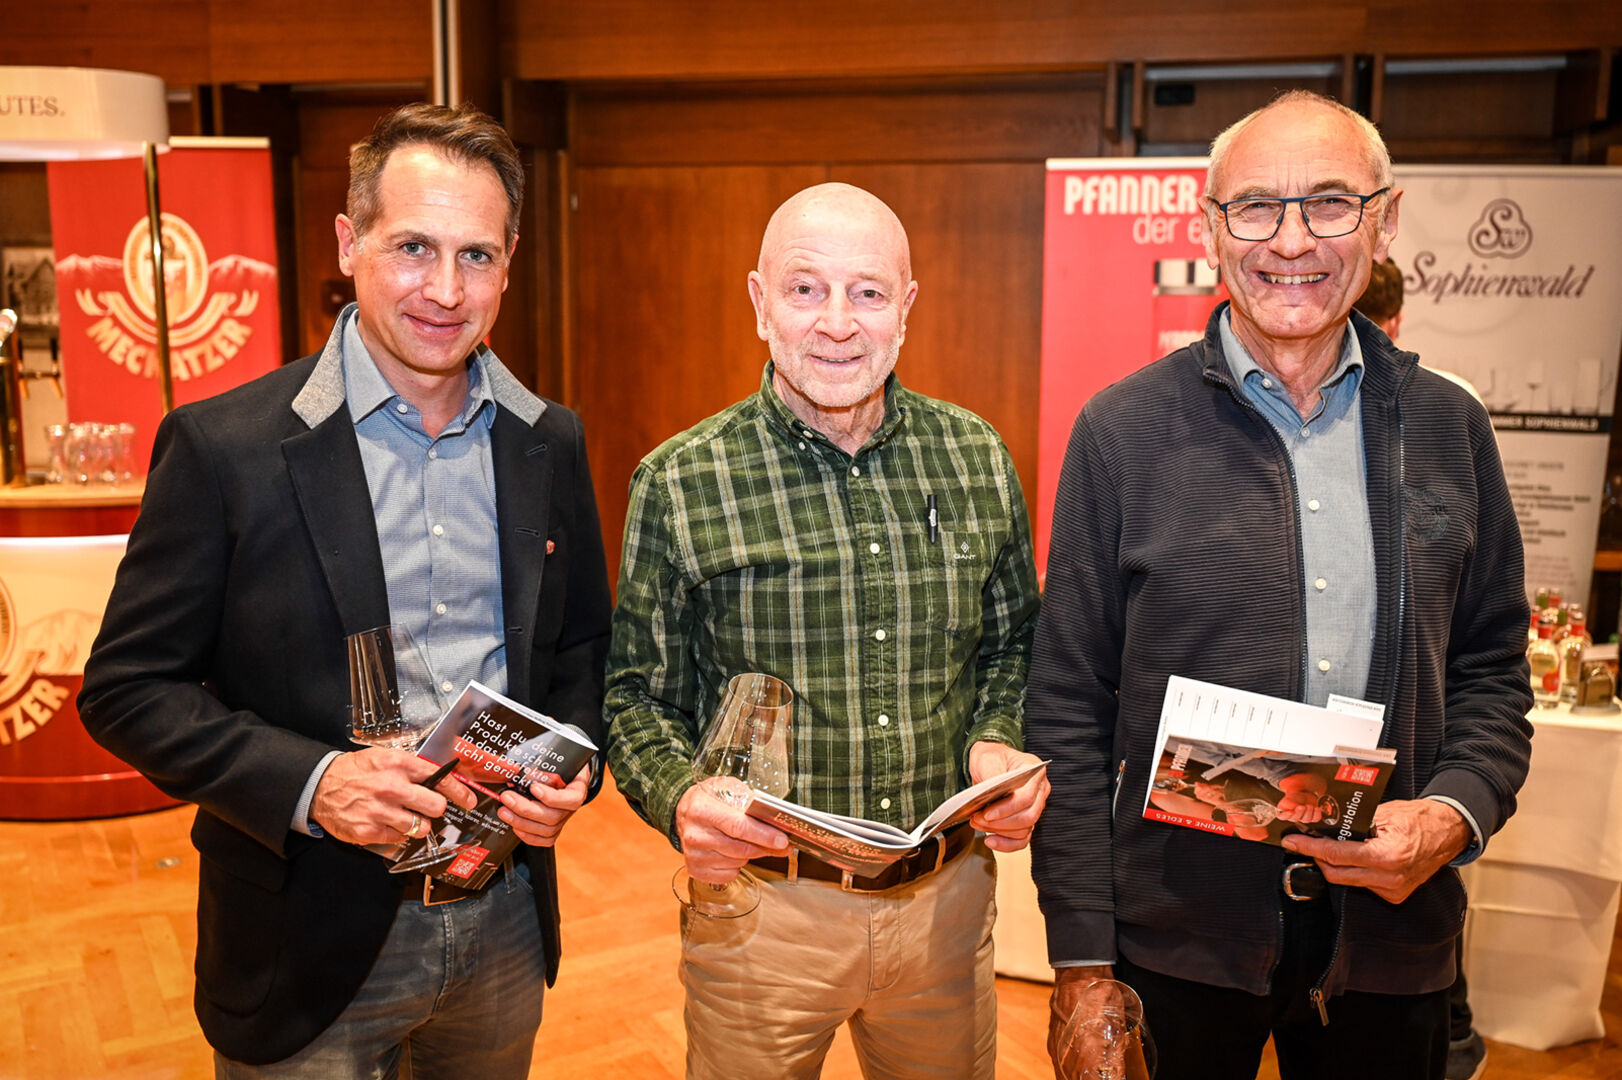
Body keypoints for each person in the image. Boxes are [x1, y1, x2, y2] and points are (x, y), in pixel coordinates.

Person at [78, 102, 613, 1077]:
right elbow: (128, 691)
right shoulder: (224, 448)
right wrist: (314, 785)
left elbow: (578, 647)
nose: (444, 290)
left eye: (476, 255)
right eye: (413, 247)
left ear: (509, 261)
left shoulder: (548, 439)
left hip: (501, 921)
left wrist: (571, 769)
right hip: (303, 937)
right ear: (348, 241)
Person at [1027, 89, 1533, 1080]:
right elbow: (1067, 706)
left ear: (1384, 220)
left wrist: (1449, 814)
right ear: (1209, 227)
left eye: (1330, 203)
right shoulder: (1120, 431)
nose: (1291, 240)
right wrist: (1081, 961)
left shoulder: (1449, 427)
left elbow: (1490, 671)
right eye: (1255, 206)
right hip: (1177, 940)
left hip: (1391, 938)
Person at [603, 181, 1049, 1079]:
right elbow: (635, 699)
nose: (838, 323)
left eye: (868, 292)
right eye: (806, 289)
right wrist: (679, 798)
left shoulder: (975, 457)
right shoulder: (681, 481)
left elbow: (1013, 646)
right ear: (760, 303)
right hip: (761, 915)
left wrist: (999, 737)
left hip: (947, 909)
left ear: (906, 307)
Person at [1356, 254, 1490, 1080]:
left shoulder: (1448, 413)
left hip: (1408, 786)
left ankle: (1458, 1034)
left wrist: (1455, 809)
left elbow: (1487, 643)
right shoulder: (1138, 421)